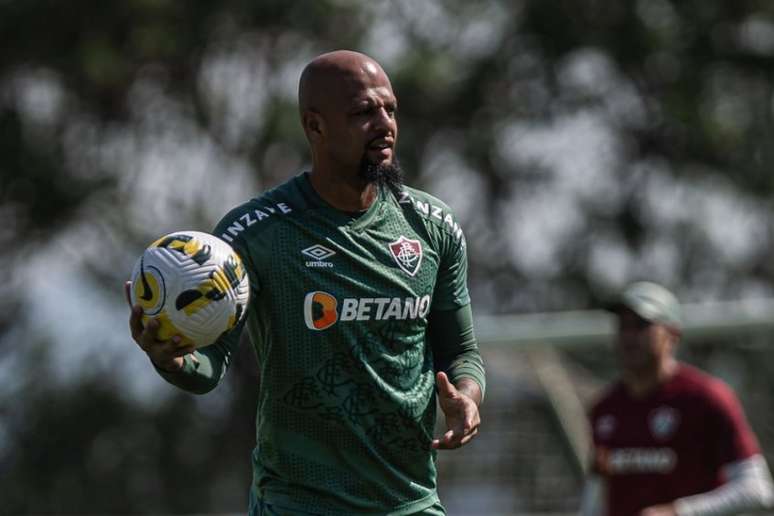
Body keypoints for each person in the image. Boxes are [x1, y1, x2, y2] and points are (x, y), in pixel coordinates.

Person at [127, 50, 485, 515]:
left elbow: (461, 353)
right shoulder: (253, 234)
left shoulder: (433, 226)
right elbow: (209, 367)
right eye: (363, 112)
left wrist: (468, 400)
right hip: (298, 504)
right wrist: (171, 360)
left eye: (390, 109)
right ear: (315, 126)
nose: (384, 124)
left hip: (410, 503)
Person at [580, 281, 774, 516]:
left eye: (641, 325)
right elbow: (596, 496)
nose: (629, 335)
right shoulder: (605, 408)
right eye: (623, 325)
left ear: (673, 335)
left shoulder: (706, 398)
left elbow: (757, 489)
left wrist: (679, 512)